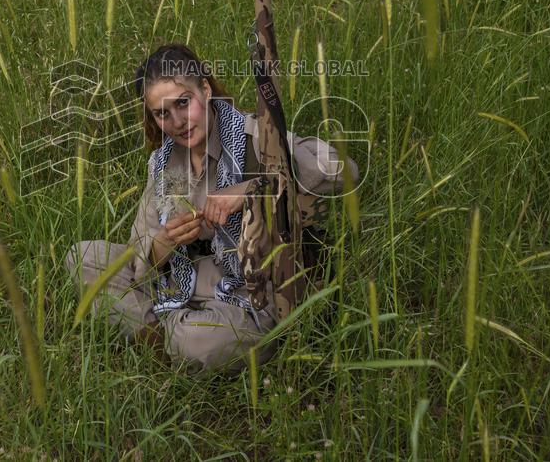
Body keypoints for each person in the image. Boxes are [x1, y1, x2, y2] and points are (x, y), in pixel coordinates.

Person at [64, 43, 358, 375]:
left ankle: (172, 339)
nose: (177, 122)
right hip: (182, 280)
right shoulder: (166, 164)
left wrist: (251, 189)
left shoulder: (254, 139)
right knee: (83, 257)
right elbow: (138, 251)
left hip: (249, 297)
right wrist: (165, 242)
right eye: (162, 113)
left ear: (204, 88)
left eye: (183, 103)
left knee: (195, 341)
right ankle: (169, 338)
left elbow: (343, 171)